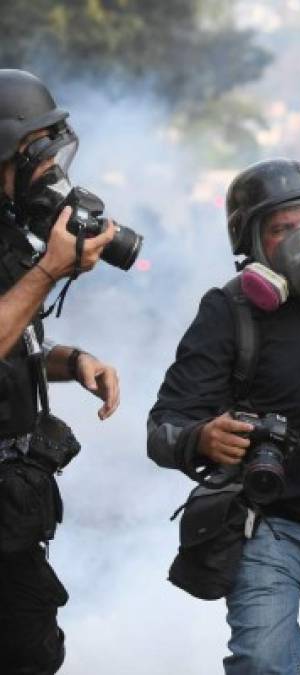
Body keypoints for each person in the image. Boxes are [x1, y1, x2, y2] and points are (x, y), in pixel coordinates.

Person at [147, 158, 300, 675]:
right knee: (262, 663)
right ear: (252, 242)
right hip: (271, 531)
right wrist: (202, 437)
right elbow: (163, 425)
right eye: (281, 228)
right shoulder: (228, 310)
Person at [0, 69, 121, 675]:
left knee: (33, 654)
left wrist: (71, 362)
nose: (52, 172)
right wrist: (48, 271)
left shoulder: (8, 237)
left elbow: (11, 337)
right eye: (39, 154)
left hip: (12, 514)